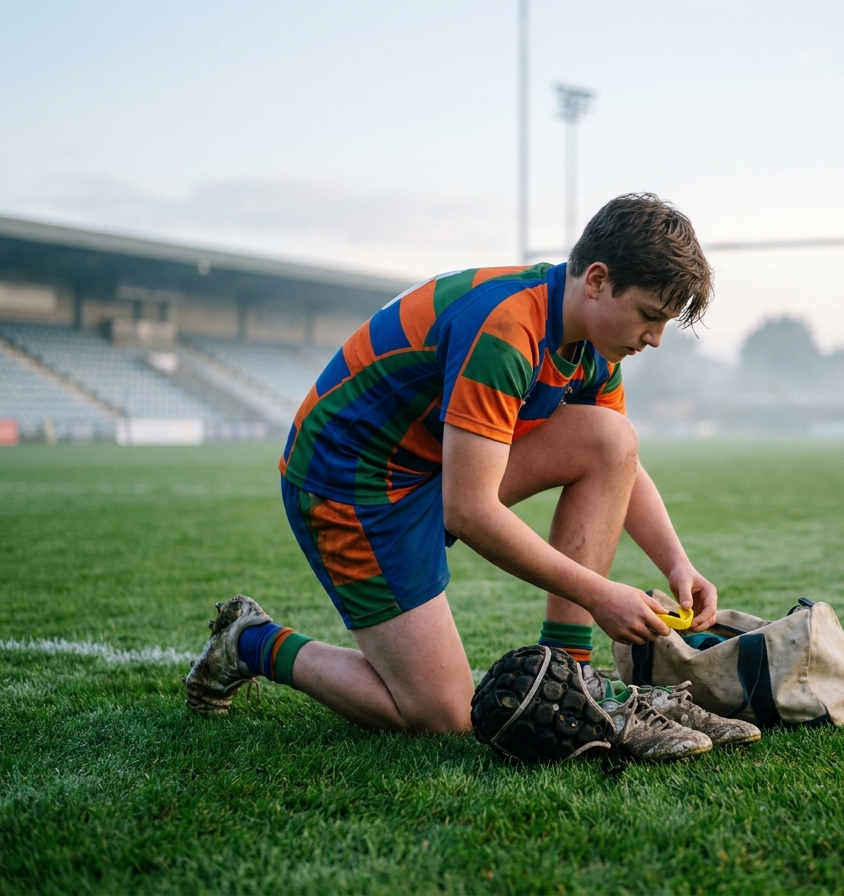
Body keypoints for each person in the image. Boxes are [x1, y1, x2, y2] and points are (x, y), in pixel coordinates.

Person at [184, 194, 759, 759]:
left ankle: (573, 674)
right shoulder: (506, 328)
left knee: (611, 438)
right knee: (440, 717)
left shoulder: (594, 345)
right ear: (597, 281)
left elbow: (620, 461)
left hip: (428, 468)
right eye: (650, 316)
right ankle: (249, 642)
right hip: (351, 485)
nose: (655, 338)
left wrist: (677, 564)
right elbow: (469, 509)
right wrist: (598, 594)